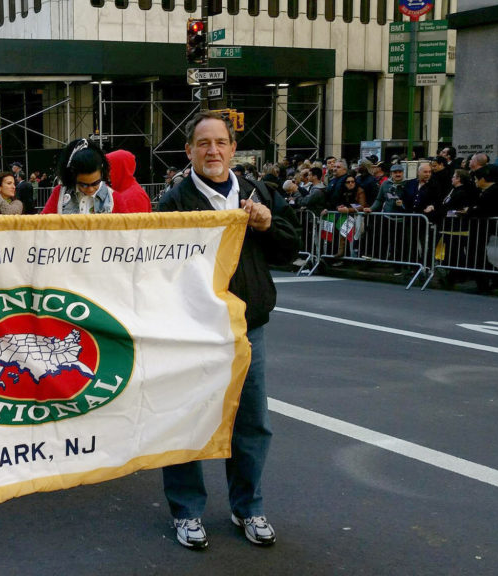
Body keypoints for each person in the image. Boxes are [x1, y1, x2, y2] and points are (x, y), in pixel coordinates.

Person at [157, 111, 298, 549]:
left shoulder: (257, 192)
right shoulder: (173, 203)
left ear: (233, 149)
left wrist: (267, 223)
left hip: (248, 330)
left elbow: (292, 246)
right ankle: (187, 512)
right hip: (193, 334)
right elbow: (157, 272)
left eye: (220, 142)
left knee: (252, 423)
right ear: (190, 151)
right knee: (188, 423)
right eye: (203, 143)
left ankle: (248, 508)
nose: (213, 151)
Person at [41, 138, 114, 214]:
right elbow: (43, 223)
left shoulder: (113, 198)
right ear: (73, 176)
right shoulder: (60, 193)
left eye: (95, 183)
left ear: (101, 174)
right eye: (84, 185)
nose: (90, 189)